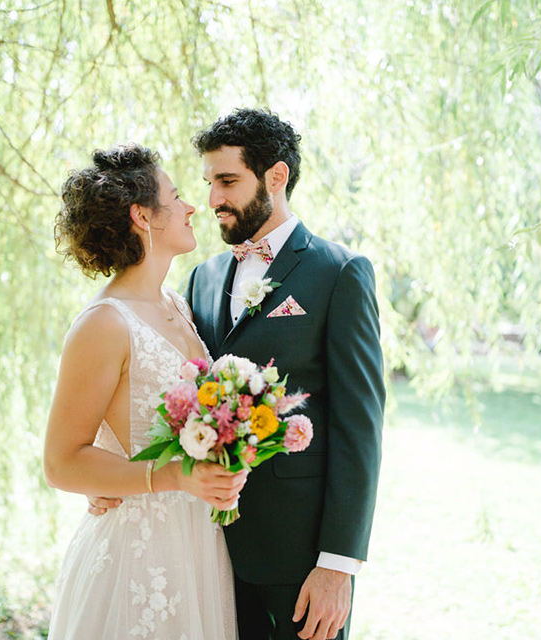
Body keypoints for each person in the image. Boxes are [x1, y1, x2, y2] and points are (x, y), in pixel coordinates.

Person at [186, 108, 385, 640]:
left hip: (299, 559)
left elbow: (359, 427)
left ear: (276, 177)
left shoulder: (338, 272)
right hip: (205, 551)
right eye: (209, 183)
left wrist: (337, 564)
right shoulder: (200, 278)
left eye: (228, 181)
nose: (213, 200)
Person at [43, 143, 248, 639]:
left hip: (197, 542)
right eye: (176, 197)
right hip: (138, 555)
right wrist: (176, 476)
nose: (191, 206)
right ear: (142, 215)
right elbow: (61, 461)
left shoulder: (176, 304)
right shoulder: (104, 324)